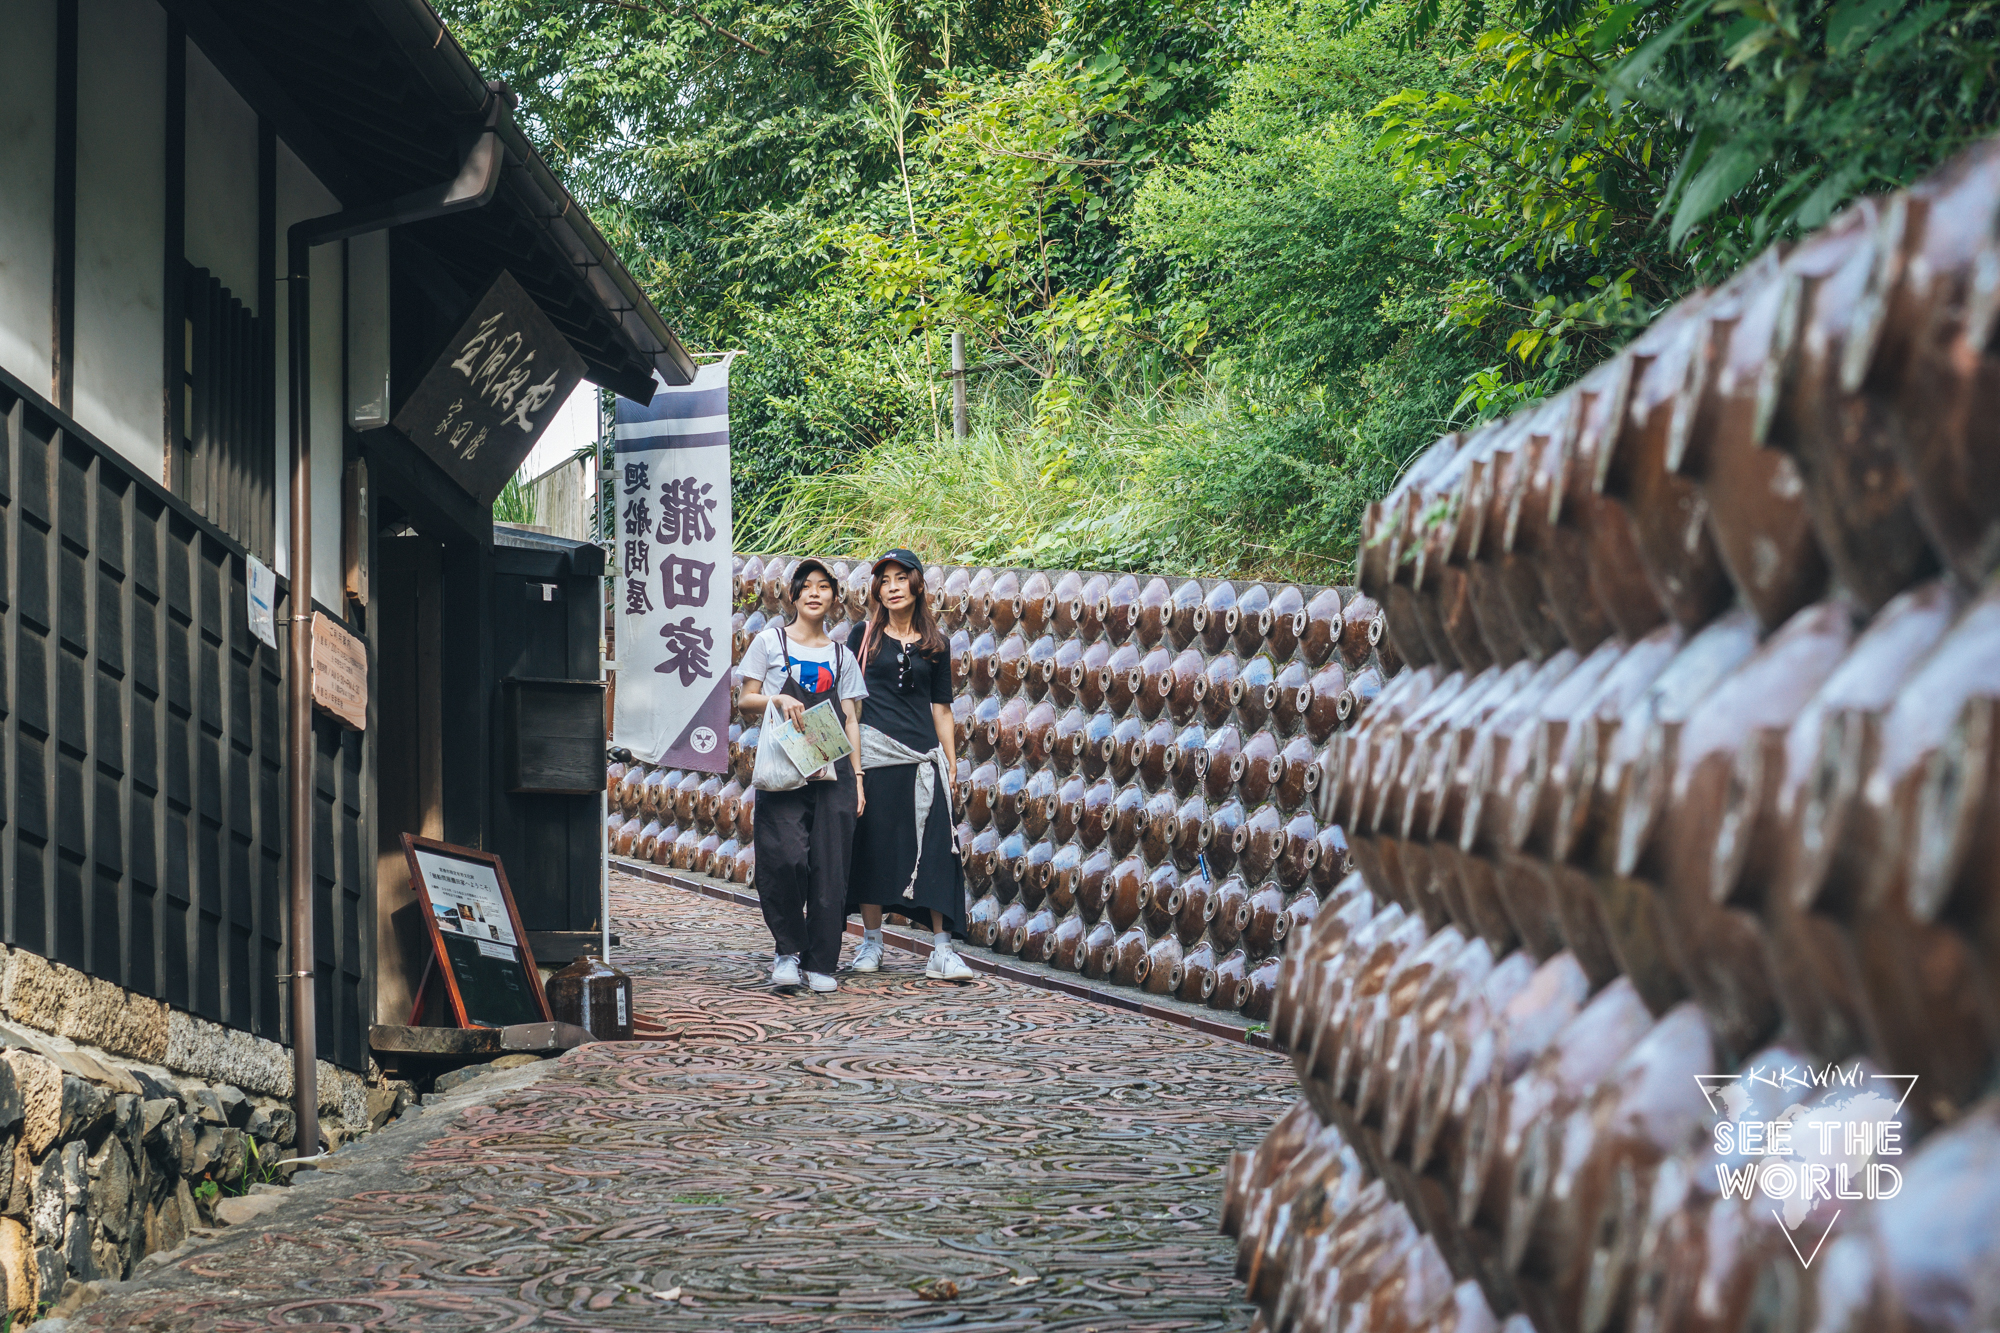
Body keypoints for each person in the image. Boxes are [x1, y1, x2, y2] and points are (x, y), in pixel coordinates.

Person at [737, 558, 868, 993]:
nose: (815, 593)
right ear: (792, 596)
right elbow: (745, 700)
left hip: (835, 772)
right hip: (785, 769)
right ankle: (787, 952)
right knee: (785, 858)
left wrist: (859, 777)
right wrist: (775, 700)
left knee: (831, 867)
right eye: (806, 586)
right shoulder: (769, 642)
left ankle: (821, 962)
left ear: (834, 598)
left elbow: (850, 716)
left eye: (824, 586)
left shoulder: (841, 654)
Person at [844, 549, 975, 982]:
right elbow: (851, 708)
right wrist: (855, 769)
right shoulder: (863, 636)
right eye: (886, 580)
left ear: (917, 584)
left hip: (924, 760)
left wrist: (951, 763)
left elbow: (942, 708)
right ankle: (871, 942)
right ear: (877, 590)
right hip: (877, 758)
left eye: (902, 578)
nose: (894, 586)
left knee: (940, 851)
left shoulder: (935, 642)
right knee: (873, 848)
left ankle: (942, 951)